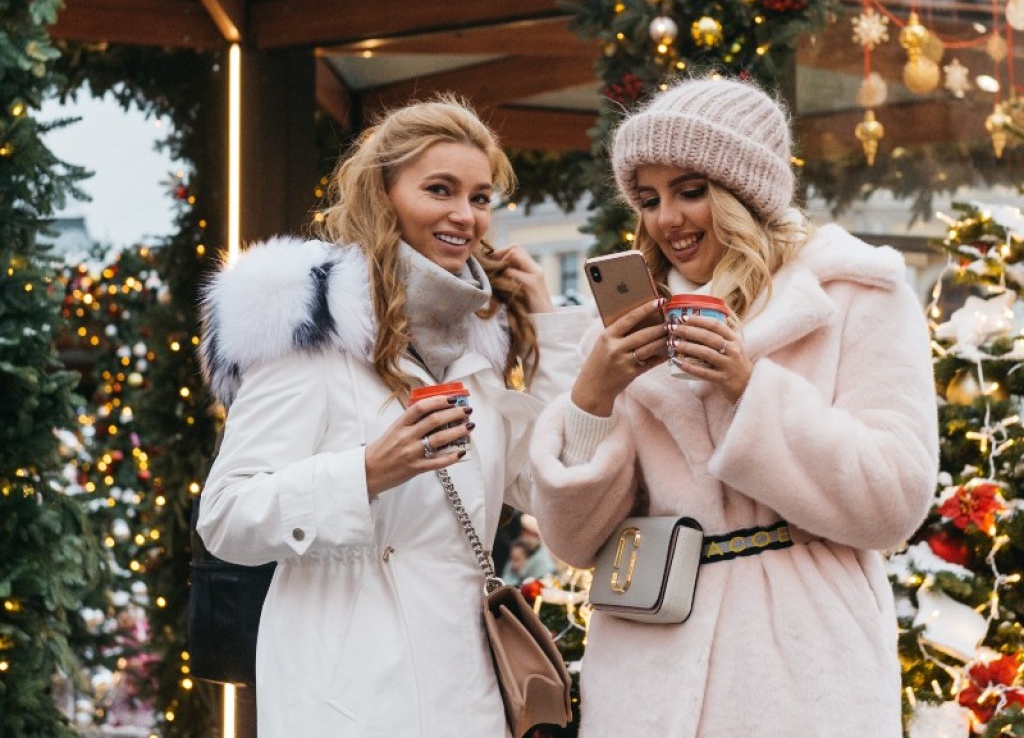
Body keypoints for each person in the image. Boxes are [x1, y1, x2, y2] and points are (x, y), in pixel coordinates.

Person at [528, 76, 939, 738]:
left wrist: (750, 388)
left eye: (691, 190)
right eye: (651, 198)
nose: (668, 219)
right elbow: (573, 542)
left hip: (804, 669)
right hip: (648, 670)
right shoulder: (624, 331)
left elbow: (894, 498)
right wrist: (593, 396)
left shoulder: (857, 294)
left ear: (744, 192)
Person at [196, 96, 587, 738]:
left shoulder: (477, 350)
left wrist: (551, 328)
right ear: (384, 194)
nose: (465, 215)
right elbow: (225, 516)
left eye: (481, 197)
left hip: (467, 692)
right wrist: (365, 473)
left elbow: (548, 484)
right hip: (346, 697)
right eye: (440, 189)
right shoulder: (312, 336)